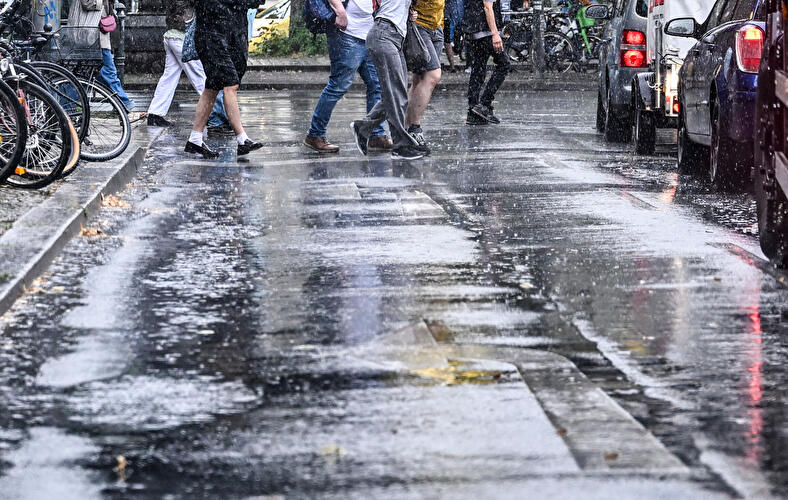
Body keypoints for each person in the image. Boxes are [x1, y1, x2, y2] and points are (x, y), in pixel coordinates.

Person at [303, 0, 392, 153]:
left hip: (369, 33)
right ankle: (315, 135)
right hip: (346, 32)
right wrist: (339, 10)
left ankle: (375, 135)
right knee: (338, 86)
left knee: (377, 85)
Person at [350, 0, 428, 160]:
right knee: (396, 94)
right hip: (384, 35)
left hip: (395, 36)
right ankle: (400, 146)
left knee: (397, 93)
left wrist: (409, 13)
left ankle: (363, 127)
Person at [185, 0, 263, 159]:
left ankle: (195, 139)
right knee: (230, 84)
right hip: (211, 36)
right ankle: (242, 139)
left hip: (233, 34)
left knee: (212, 88)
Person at [146, 0, 232, 135]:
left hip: (171, 34)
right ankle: (216, 118)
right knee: (200, 77)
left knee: (169, 77)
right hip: (182, 37)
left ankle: (155, 114)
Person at [69, 0, 139, 116]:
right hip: (92, 36)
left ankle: (64, 106)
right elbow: (87, 3)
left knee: (85, 75)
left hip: (96, 36)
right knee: (106, 71)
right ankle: (124, 104)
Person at [462, 0, 509, 124]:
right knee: (504, 64)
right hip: (485, 31)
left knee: (478, 69)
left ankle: (473, 111)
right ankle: (484, 104)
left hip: (475, 30)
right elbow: (488, 7)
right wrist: (495, 34)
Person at [404, 0, 443, 147]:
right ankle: (414, 127)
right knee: (433, 75)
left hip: (437, 25)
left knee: (419, 80)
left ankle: (405, 128)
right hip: (419, 25)